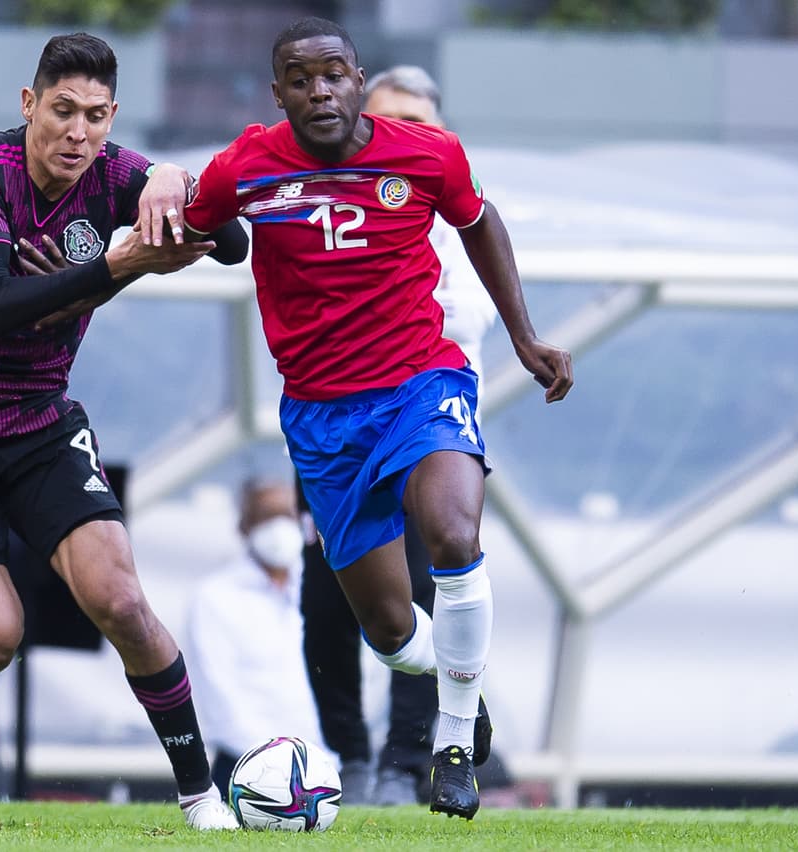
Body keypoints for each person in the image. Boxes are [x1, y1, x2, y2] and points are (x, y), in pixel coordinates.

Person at [181, 17, 572, 820]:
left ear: (357, 80)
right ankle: (455, 677)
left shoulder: (426, 154)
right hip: (321, 418)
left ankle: (452, 746)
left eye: (334, 75)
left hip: (422, 385)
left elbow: (479, 221)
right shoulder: (246, 166)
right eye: (301, 78)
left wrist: (527, 338)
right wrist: (159, 213)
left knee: (456, 537)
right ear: (279, 90)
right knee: (391, 632)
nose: (320, 90)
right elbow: (201, 225)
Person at [0, 32, 248, 830]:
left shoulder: (118, 175)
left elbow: (234, 242)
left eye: (98, 116)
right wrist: (123, 265)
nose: (78, 133)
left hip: (40, 423)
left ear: (115, 118)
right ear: (28, 104)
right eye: (63, 111)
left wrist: (178, 179)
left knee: (121, 600)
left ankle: (199, 796)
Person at [299, 64, 502, 807]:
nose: (406, 135)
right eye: (391, 119)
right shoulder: (315, 195)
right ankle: (361, 745)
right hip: (329, 424)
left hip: (424, 420)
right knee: (338, 603)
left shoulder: (452, 210)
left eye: (422, 122)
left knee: (440, 568)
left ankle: (409, 760)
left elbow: (470, 324)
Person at [183, 477, 324, 797]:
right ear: (243, 525)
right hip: (242, 767)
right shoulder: (214, 597)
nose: (278, 527)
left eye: (287, 516)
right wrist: (276, 764)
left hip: (325, 768)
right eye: (265, 516)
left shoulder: (326, 590)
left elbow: (360, 682)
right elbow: (217, 693)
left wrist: (330, 756)